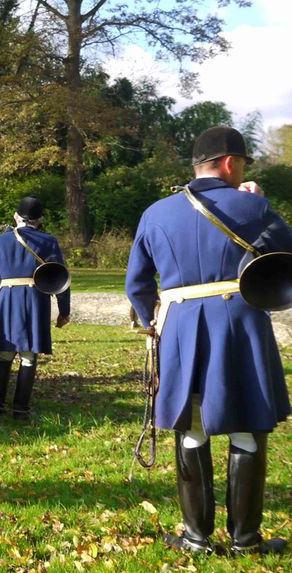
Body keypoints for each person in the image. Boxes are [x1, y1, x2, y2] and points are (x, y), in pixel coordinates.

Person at [126, 126, 291, 554]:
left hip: (180, 326)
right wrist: (257, 207)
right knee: (247, 426)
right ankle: (246, 539)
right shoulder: (254, 206)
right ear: (231, 163)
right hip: (241, 325)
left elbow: (137, 284)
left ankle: (196, 538)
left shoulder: (156, 212)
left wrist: (153, 321)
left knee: (191, 425)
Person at [0, 197, 70, 420]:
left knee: (5, 354)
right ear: (39, 220)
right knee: (29, 355)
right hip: (35, 299)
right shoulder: (49, 241)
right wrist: (64, 310)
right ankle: (21, 408)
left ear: (16, 216)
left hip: (8, 300)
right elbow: (60, 277)